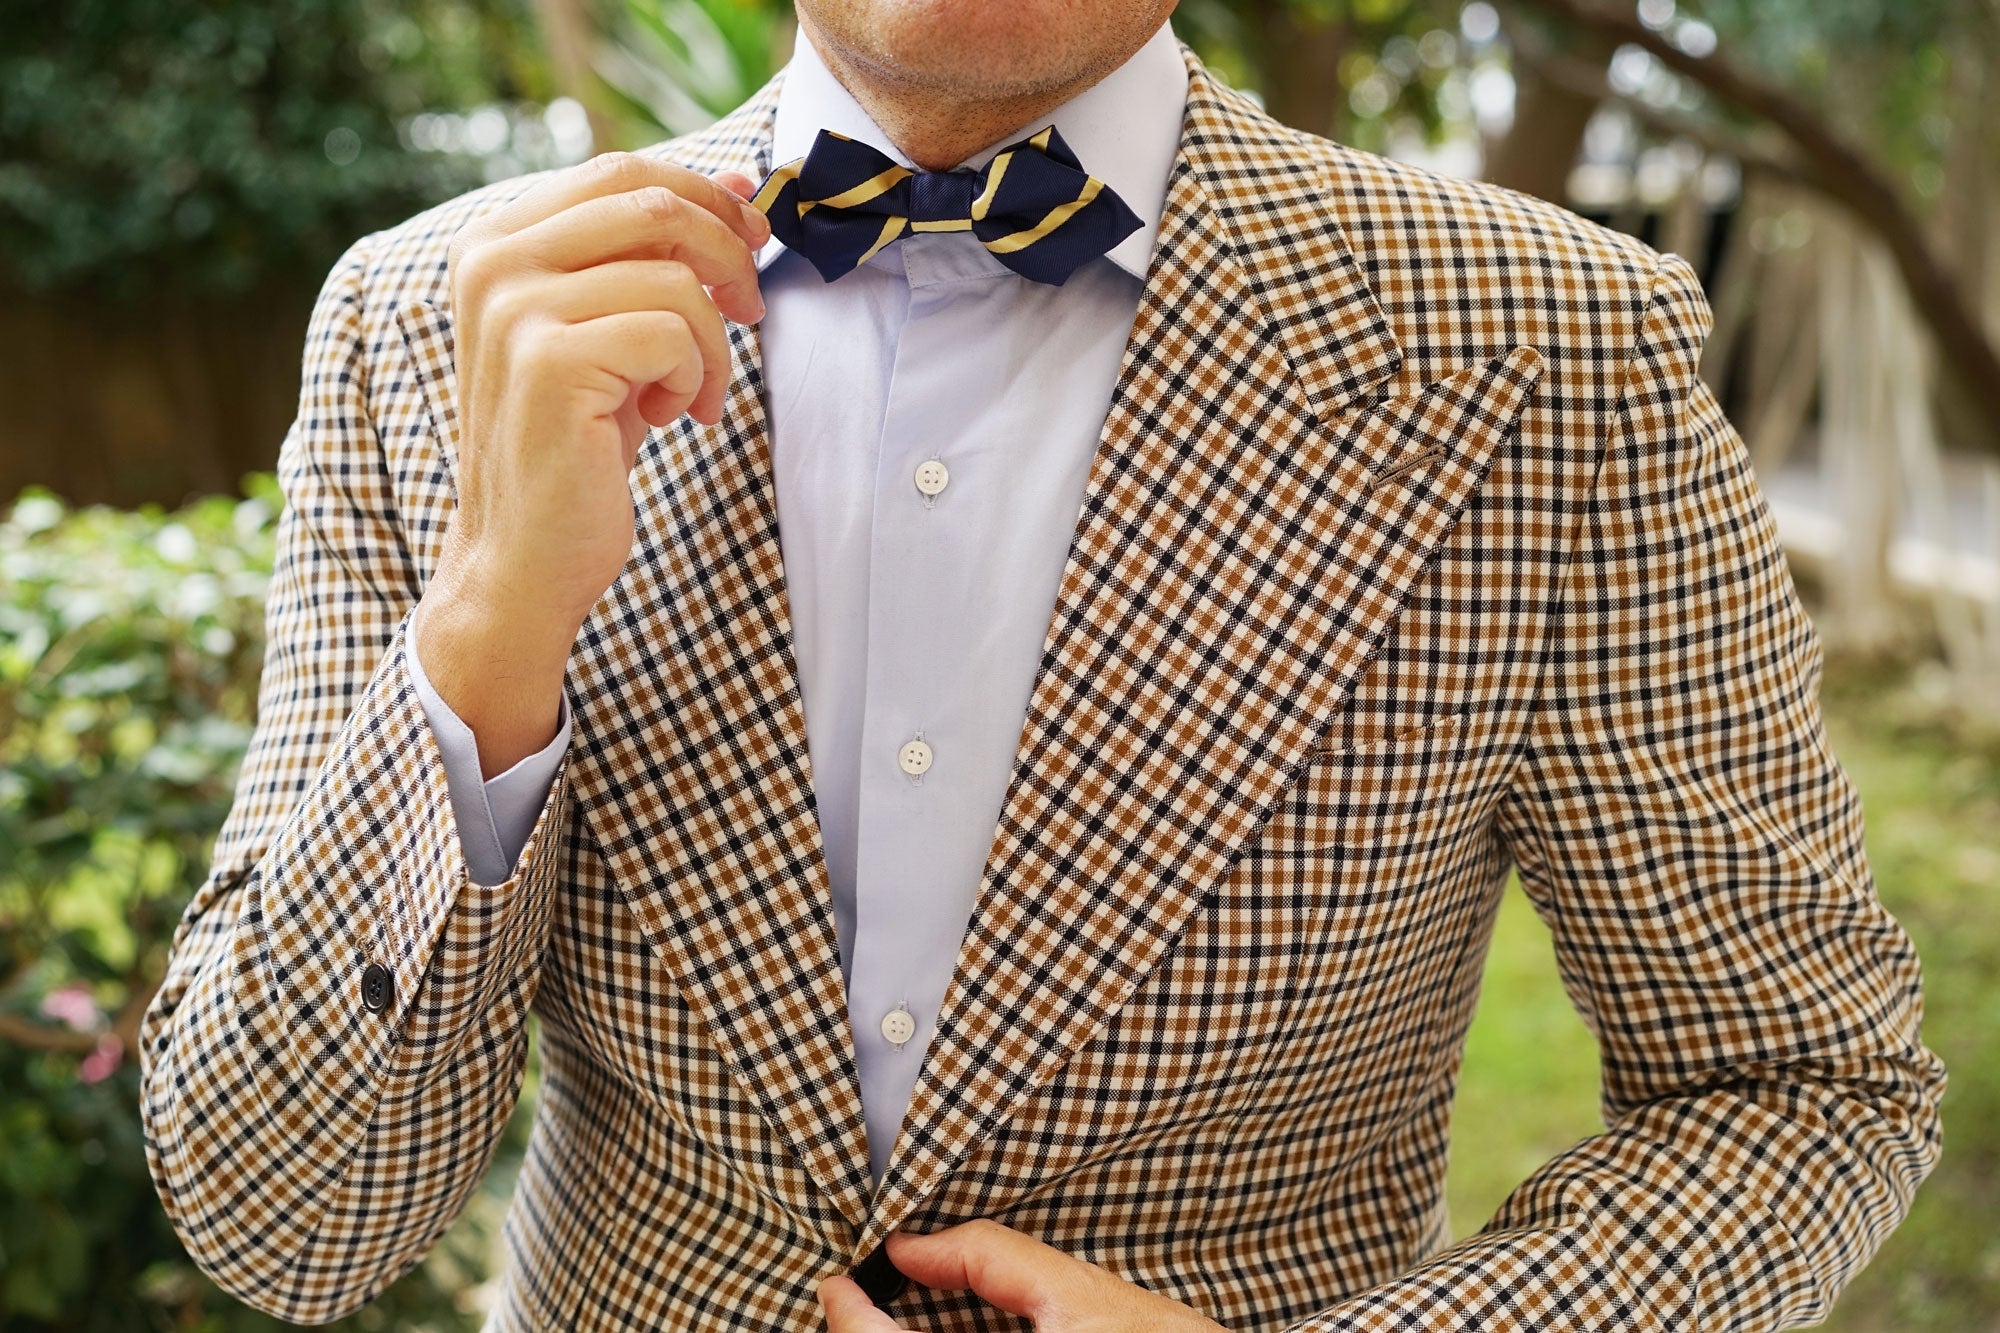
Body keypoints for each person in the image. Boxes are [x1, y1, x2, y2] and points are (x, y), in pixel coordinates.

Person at [138, 0, 1948, 1329]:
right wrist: (485, 629)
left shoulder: (1554, 352)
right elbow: (285, 1217)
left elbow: (1797, 1092)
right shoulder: (426, 318)